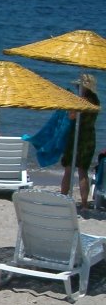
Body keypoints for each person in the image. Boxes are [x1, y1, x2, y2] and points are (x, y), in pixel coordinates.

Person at [62, 73, 100, 209]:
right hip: (89, 137)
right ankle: (84, 204)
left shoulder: (81, 101)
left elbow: (72, 117)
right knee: (83, 171)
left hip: (77, 137)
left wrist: (71, 105)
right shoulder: (96, 100)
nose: (77, 87)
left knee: (68, 169)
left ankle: (63, 198)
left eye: (79, 86)